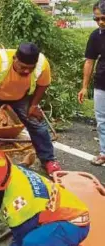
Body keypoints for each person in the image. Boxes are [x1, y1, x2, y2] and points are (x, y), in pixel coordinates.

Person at [0, 43, 61, 176]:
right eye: (23, 67)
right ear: (14, 58)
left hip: (21, 96)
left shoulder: (42, 64)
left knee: (37, 124)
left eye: (30, 68)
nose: (26, 71)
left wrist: (33, 106)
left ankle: (48, 161)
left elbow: (44, 84)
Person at [78, 1, 105, 165]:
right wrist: (84, 87)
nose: (100, 22)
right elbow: (89, 61)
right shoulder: (96, 36)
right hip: (101, 83)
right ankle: (104, 152)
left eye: (103, 18)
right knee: (102, 120)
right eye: (97, 19)